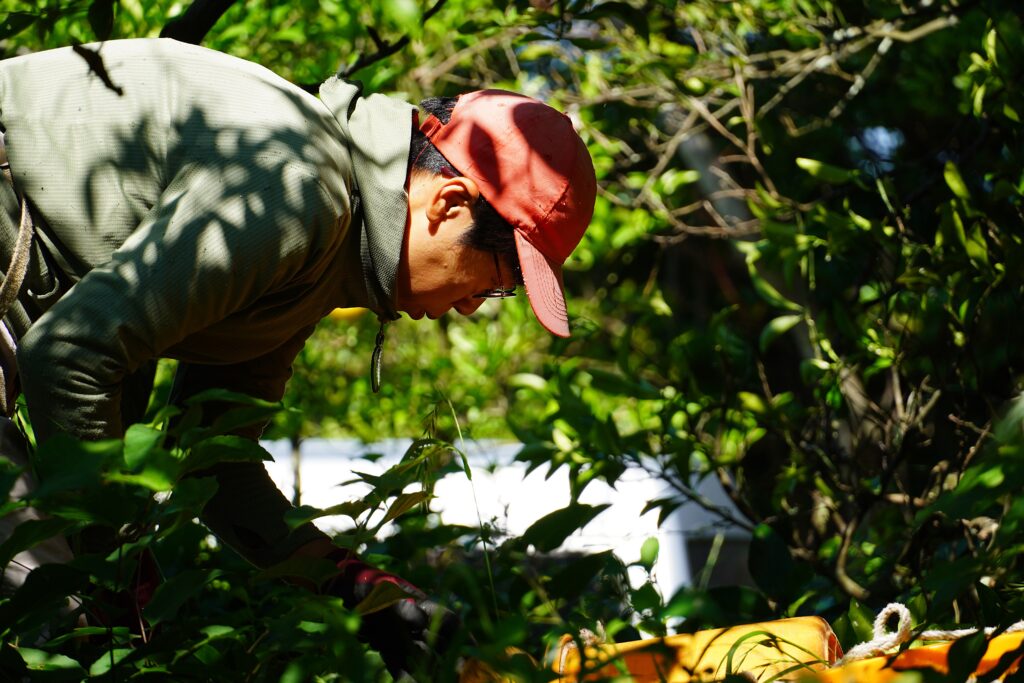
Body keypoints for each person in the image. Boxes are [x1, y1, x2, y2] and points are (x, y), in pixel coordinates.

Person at [0, 37, 596, 679]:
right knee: (58, 621)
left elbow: (216, 462)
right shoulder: (297, 188)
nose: (473, 307)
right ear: (448, 204)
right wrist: (116, 569)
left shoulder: (328, 251)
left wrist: (360, 588)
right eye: (497, 281)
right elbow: (70, 356)